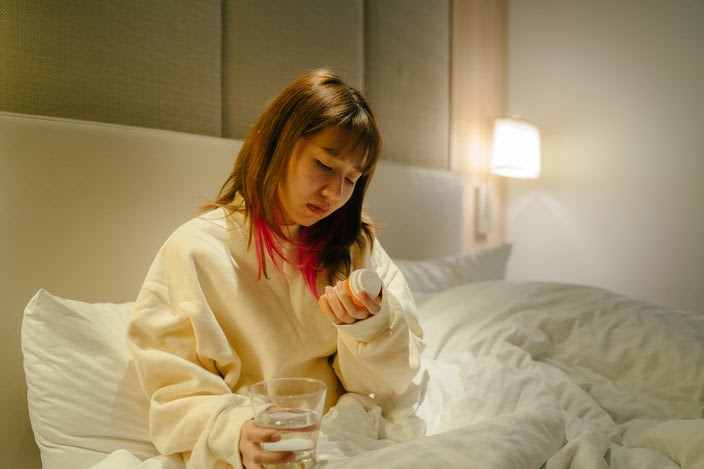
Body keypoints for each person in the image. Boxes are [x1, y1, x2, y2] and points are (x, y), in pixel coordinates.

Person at [127, 69, 424, 469]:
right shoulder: (196, 252)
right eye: (325, 164)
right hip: (264, 448)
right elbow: (172, 387)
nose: (336, 193)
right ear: (278, 144)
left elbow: (392, 386)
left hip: (348, 440)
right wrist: (233, 429)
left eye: (352, 179)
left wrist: (370, 328)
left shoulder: (356, 247)